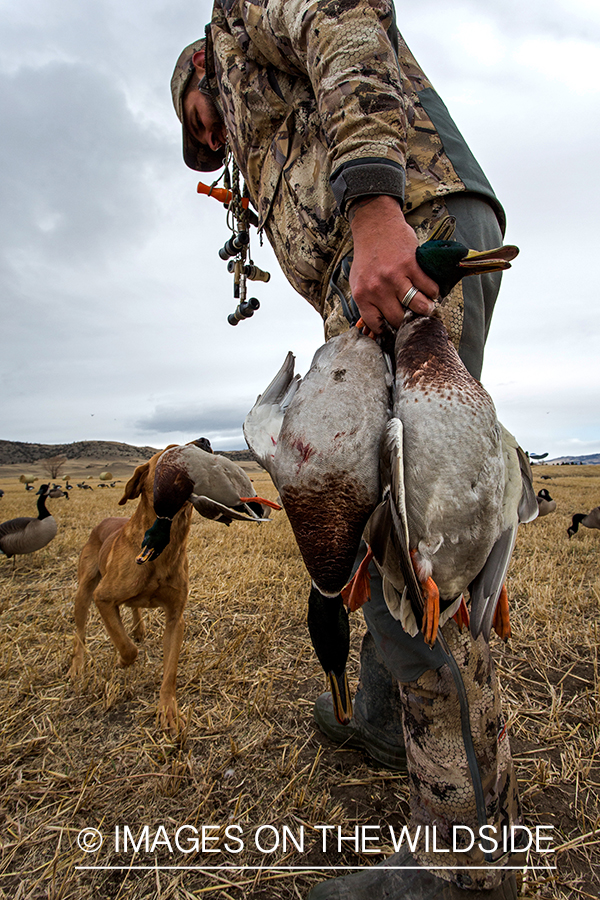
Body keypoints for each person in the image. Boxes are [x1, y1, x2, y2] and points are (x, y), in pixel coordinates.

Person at [171, 3, 522, 897]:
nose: (207, 143)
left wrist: (373, 207)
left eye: (198, 121)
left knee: (408, 540)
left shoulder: (235, 23)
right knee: (359, 517)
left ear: (199, 76)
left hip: (406, 227)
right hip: (378, 253)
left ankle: (451, 857)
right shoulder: (256, 127)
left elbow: (343, 19)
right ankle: (374, 715)